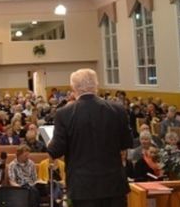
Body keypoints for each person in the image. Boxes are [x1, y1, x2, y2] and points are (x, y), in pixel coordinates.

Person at [47, 68, 132, 207]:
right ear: (96, 85)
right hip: (113, 184)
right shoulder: (117, 109)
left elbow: (56, 150)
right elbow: (127, 142)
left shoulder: (64, 113)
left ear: (73, 88)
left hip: (82, 186)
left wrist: (50, 143)